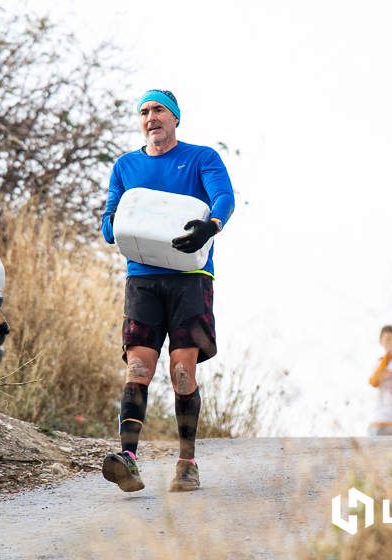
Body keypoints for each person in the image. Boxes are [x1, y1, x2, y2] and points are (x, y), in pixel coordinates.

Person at [99, 89, 235, 492]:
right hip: (142, 277)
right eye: (144, 111)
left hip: (191, 278)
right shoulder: (126, 166)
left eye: (159, 109)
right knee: (138, 368)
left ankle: (187, 462)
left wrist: (210, 226)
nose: (151, 117)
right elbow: (110, 217)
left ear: (175, 118)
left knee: (181, 372)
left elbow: (224, 197)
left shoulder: (201, 158)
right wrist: (115, 227)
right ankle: (128, 458)